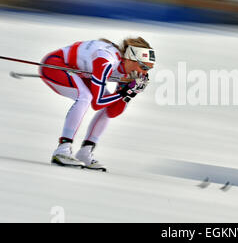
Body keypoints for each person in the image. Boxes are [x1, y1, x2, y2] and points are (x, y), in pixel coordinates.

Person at [39, 37, 156, 171]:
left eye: (148, 69)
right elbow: (97, 103)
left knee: (106, 101)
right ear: (130, 59)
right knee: (85, 97)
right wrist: (124, 92)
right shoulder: (106, 60)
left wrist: (130, 93)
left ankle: (85, 152)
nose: (144, 73)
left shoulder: (129, 71)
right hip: (55, 64)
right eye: (143, 67)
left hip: (81, 73)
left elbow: (112, 112)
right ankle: (62, 150)